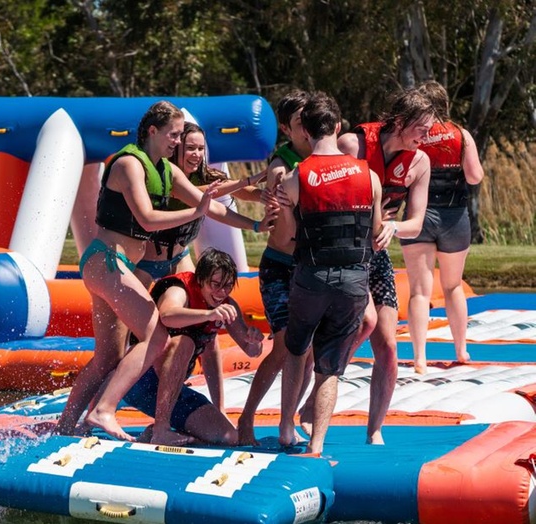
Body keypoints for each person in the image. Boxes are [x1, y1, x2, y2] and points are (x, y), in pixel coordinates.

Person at [55, 100, 273, 444]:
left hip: (116, 265)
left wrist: (256, 224)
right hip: (107, 261)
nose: (177, 141)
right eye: (173, 134)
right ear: (152, 131)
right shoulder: (128, 164)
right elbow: (147, 219)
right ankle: (103, 410)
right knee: (157, 333)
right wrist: (195, 211)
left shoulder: (166, 172)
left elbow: (213, 206)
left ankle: (66, 424)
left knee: (108, 355)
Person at [276, 91, 390, 456]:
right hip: (354, 281)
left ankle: (285, 427)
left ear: (306, 134)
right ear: (338, 127)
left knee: (296, 350)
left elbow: (286, 235)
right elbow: (376, 236)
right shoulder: (369, 176)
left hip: (311, 278)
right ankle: (317, 445)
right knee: (329, 369)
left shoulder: (296, 177)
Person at [336, 87, 436, 444]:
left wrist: (393, 226)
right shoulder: (353, 145)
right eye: (422, 129)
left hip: (376, 254)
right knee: (364, 321)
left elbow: (417, 222)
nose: (427, 137)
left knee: (389, 346)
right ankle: (324, 381)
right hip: (344, 251)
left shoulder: (420, 162)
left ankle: (374, 430)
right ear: (400, 122)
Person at [238, 89, 316, 446]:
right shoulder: (281, 166)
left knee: (310, 349)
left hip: (310, 265)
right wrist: (265, 200)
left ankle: (293, 416)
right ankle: (247, 417)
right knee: (285, 346)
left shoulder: (324, 157)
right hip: (280, 266)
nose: (309, 127)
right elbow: (277, 201)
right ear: (287, 128)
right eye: (301, 121)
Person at [124, 248, 264, 445]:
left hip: (171, 392)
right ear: (201, 280)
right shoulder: (179, 290)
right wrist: (209, 315)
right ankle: (161, 428)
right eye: (215, 285)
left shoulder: (225, 305)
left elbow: (251, 351)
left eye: (227, 286)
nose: (221, 293)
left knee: (228, 437)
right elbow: (167, 315)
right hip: (140, 383)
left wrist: (254, 340)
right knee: (185, 342)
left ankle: (154, 433)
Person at [400, 81, 484, 373]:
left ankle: (419, 357)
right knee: (452, 287)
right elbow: (474, 176)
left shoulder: (413, 136)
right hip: (454, 217)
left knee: (420, 292)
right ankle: (461, 349)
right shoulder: (461, 135)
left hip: (418, 217)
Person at [134, 121, 266, 285]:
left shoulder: (204, 174)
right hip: (144, 263)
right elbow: (197, 193)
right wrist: (247, 180)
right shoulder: (164, 174)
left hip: (179, 258)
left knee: (192, 300)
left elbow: (240, 192)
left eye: (201, 148)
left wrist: (266, 196)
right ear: (175, 148)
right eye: (190, 148)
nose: (196, 154)